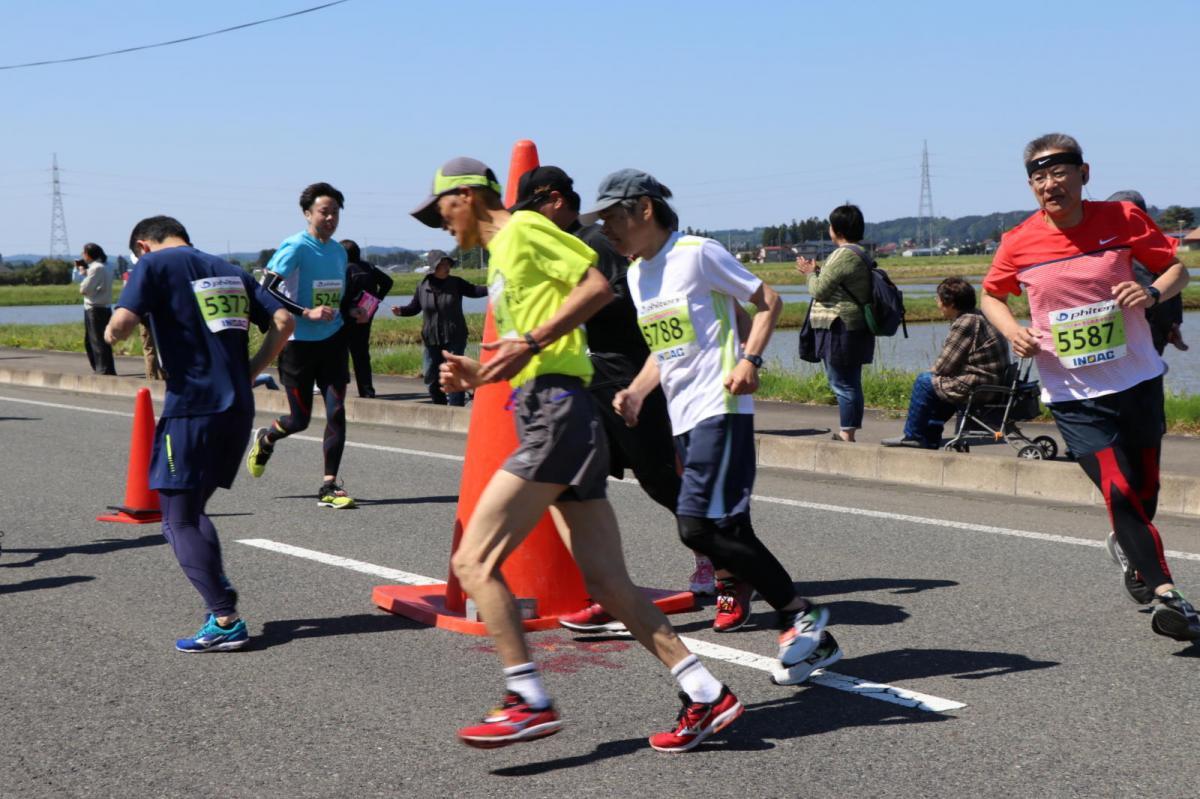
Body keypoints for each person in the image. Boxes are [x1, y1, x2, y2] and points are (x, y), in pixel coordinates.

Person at [414, 157, 742, 752]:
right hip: (558, 411)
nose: (439, 223)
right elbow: (537, 348)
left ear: (465, 196)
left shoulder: (523, 229)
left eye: (439, 208)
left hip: (558, 417)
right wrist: (481, 374)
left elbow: (595, 286)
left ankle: (526, 698)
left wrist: (529, 343)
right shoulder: (499, 257)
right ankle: (705, 692)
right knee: (610, 585)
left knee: (473, 563)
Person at [590, 168, 840, 684]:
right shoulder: (638, 275)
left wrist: (750, 360)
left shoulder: (698, 253)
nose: (606, 229)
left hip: (720, 409)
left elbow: (768, 301)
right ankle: (812, 637)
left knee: (697, 526)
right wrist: (636, 391)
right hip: (683, 415)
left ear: (644, 208)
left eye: (613, 216)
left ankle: (801, 614)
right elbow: (667, 349)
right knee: (731, 530)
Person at [981, 132, 1199, 642]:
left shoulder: (1122, 219)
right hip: (1074, 395)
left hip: (1138, 380)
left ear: (1084, 173)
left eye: (1058, 172)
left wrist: (1149, 292)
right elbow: (991, 295)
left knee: (1144, 491)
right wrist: (1014, 330)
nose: (1049, 184)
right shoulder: (1019, 241)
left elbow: (1177, 269)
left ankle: (1133, 554)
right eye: (1038, 176)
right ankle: (1170, 596)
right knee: (1119, 490)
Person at [508, 165, 715, 631]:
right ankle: (608, 591)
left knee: (661, 480)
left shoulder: (596, 241)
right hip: (589, 378)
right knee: (577, 486)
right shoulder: (567, 245)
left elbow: (634, 299)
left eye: (533, 211)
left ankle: (725, 563)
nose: (530, 224)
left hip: (626, 372)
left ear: (556, 201)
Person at [104, 215, 293, 651]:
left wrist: (114, 333)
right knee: (193, 508)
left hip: (192, 409)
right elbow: (284, 321)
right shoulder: (232, 270)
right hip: (238, 408)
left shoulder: (153, 265)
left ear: (142, 246)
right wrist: (248, 372)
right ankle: (218, 604)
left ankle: (225, 616)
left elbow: (120, 325)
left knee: (176, 519)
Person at [245, 182, 365, 509]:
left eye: (335, 213)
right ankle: (267, 437)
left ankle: (329, 486)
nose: (330, 218)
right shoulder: (296, 246)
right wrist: (305, 311)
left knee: (337, 411)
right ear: (307, 213)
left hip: (333, 340)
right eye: (324, 212)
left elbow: (335, 296)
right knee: (300, 420)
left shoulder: (339, 251)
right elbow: (266, 287)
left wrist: (349, 310)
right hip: (299, 343)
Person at [882, 277, 1008, 448]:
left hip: (980, 386)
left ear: (951, 303)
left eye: (939, 299)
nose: (937, 302)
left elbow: (943, 366)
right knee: (938, 384)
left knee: (924, 382)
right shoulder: (978, 315)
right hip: (991, 383)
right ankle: (929, 437)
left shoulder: (966, 322)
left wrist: (930, 374)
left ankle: (913, 435)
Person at [795, 206, 875, 442]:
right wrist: (819, 270)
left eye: (830, 226)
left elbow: (819, 290)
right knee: (849, 380)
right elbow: (838, 282)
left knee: (842, 381)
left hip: (840, 326)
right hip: (850, 325)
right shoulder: (858, 252)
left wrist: (810, 274)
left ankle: (846, 434)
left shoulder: (843, 254)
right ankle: (848, 430)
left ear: (836, 229)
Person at [391, 248, 486, 406]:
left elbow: (475, 290)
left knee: (453, 372)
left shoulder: (456, 283)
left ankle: (456, 407)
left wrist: (494, 288)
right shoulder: (422, 285)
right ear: (434, 267)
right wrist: (401, 311)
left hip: (455, 335)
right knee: (430, 374)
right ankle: (439, 405)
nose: (447, 267)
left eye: (448, 263)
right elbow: (414, 307)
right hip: (431, 337)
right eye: (443, 264)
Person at [1106, 191, 1188, 356]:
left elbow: (1168, 291)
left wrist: (1171, 325)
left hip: (1141, 334)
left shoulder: (1141, 253)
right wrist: (1172, 324)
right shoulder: (1144, 252)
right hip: (1133, 335)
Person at [341, 239, 394, 398]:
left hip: (346, 316)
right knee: (362, 354)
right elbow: (388, 282)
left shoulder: (345, 269)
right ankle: (367, 391)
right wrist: (376, 300)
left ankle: (339, 389)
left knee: (340, 353)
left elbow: (341, 295)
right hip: (366, 314)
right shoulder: (368, 267)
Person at [78, 242, 117, 375]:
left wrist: (83, 276)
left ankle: (102, 369)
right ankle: (106, 368)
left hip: (94, 308)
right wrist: (85, 273)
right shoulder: (108, 266)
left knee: (95, 341)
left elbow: (84, 290)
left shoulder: (96, 268)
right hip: (105, 307)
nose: (82, 256)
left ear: (89, 255)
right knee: (103, 340)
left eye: (83, 253)